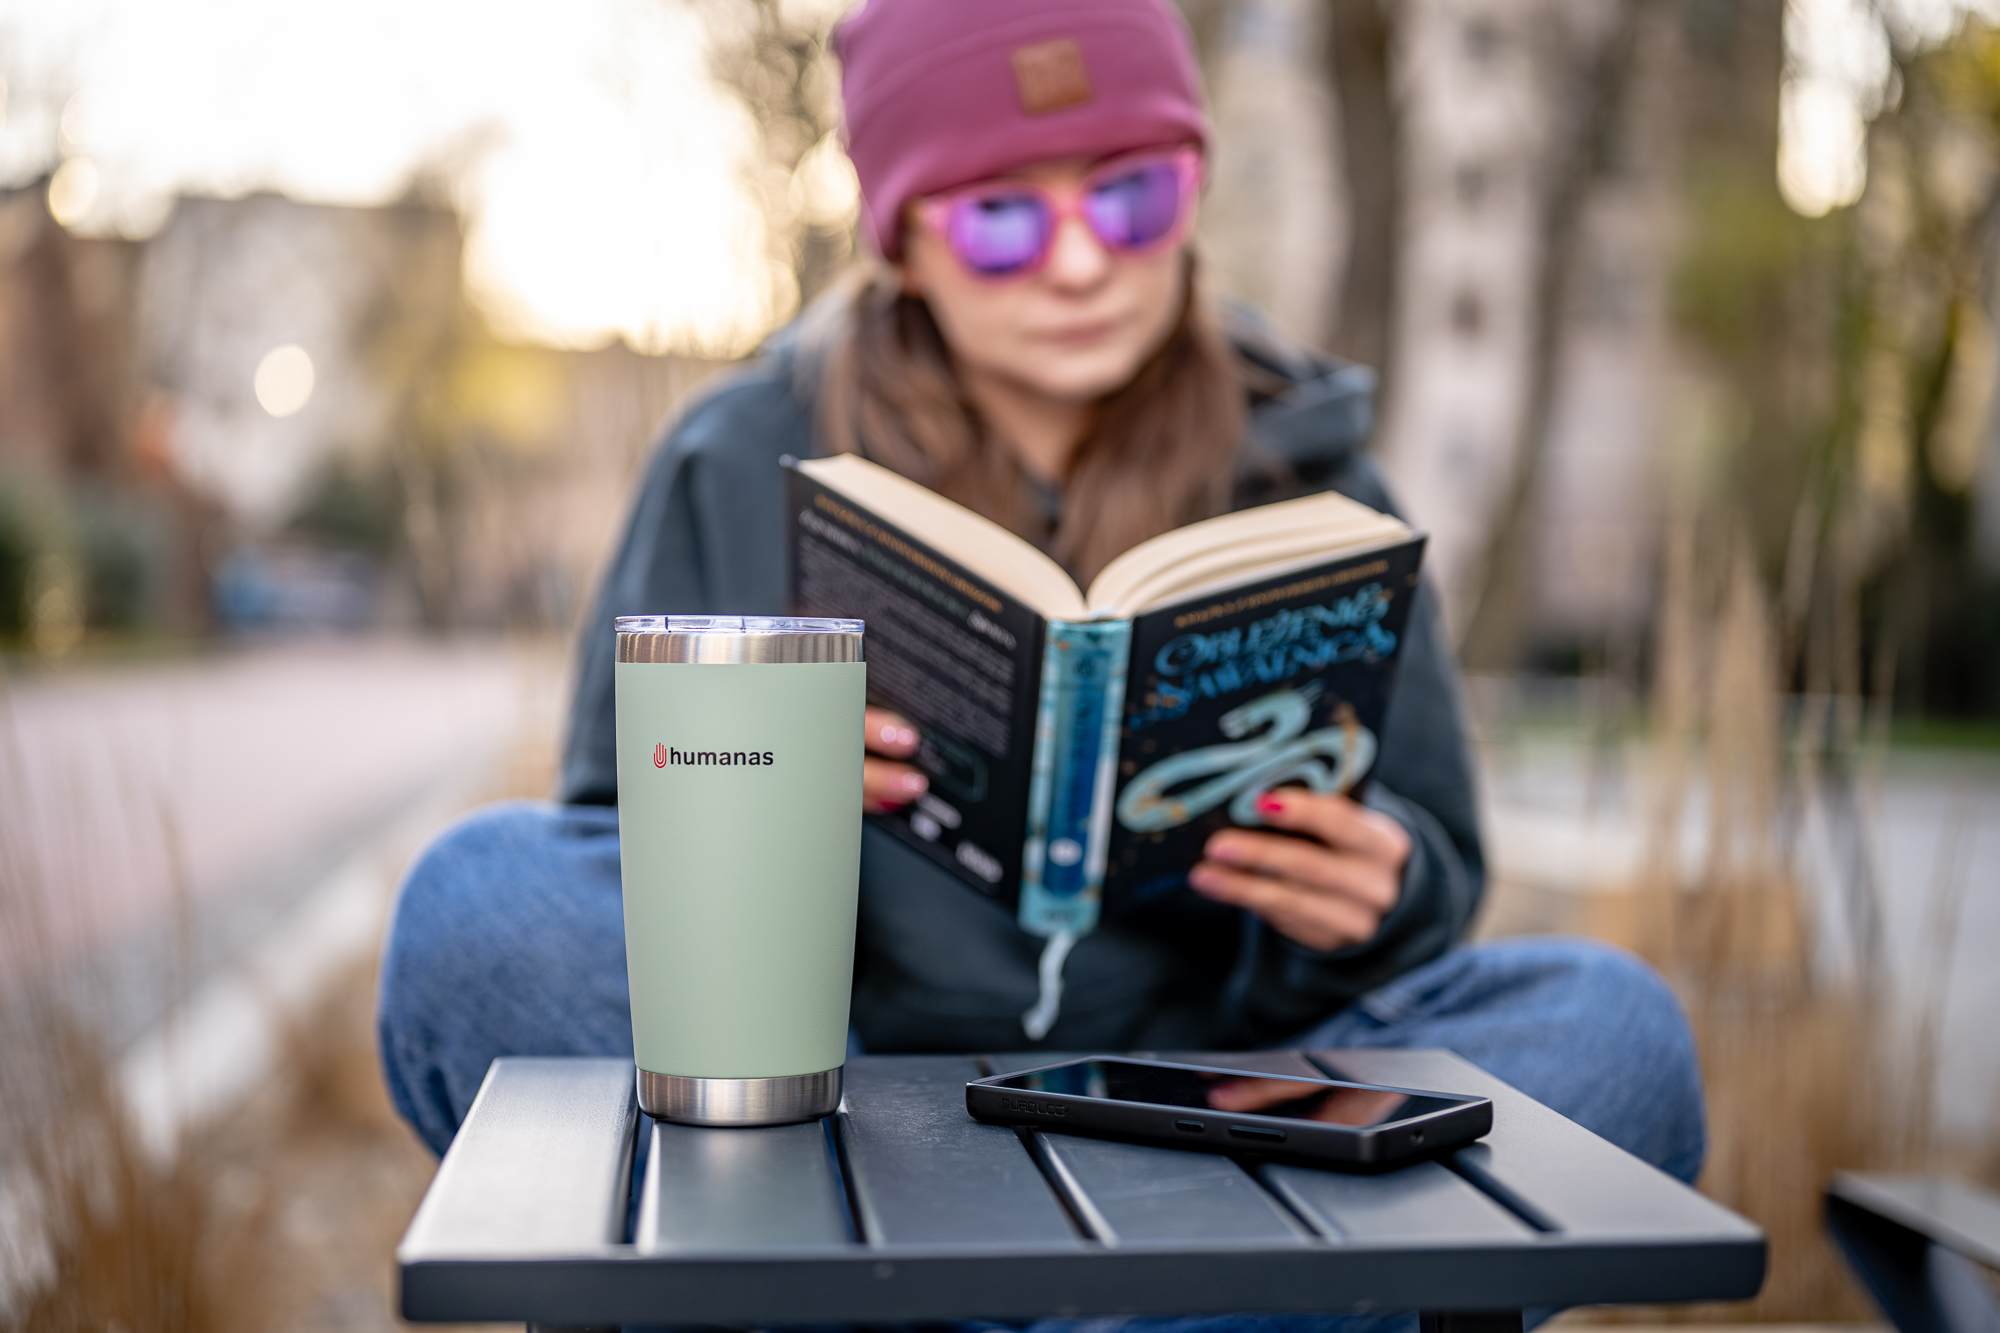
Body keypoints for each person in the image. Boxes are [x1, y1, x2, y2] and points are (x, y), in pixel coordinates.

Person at [377, 0, 1702, 1251]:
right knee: (480, 905)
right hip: (836, 1119)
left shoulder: (1320, 481)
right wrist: (753, 804)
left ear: (1193, 192)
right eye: (1003, 218)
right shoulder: (732, 462)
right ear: (902, 238)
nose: (1079, 264)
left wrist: (1379, 893)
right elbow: (607, 866)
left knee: (1611, 1028)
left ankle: (961, 1315)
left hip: (1210, 1118)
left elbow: (1438, 864)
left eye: (1133, 197)